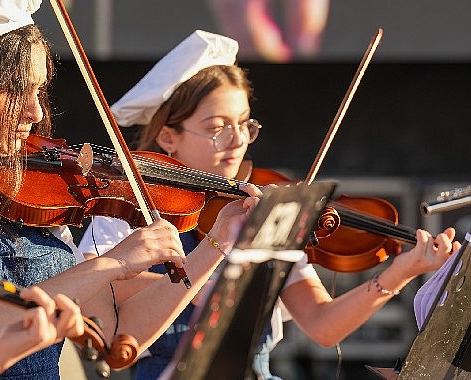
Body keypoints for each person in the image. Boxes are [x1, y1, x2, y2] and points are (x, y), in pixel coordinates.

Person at [0, 1, 260, 379]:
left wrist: (217, 242)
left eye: (39, 91)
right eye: (17, 91)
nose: (36, 112)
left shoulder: (28, 195)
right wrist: (111, 265)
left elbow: (115, 335)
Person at [77, 29, 459, 379]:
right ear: (168, 137)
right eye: (216, 128)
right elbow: (106, 292)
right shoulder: (126, 210)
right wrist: (223, 276)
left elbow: (323, 325)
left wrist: (402, 272)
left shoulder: (258, 206)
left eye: (244, 124)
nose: (237, 140)